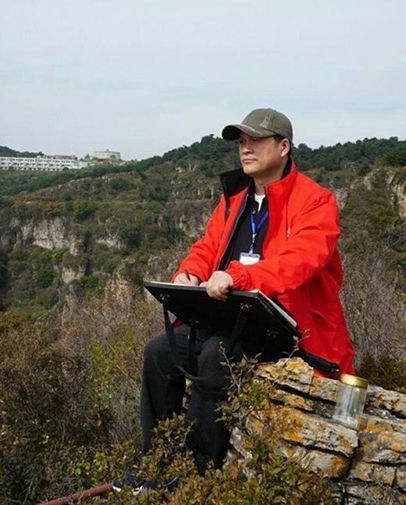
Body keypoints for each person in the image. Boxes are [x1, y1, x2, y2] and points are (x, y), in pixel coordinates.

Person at [140, 108, 356, 474]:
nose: (246, 148)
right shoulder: (235, 200)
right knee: (160, 351)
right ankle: (157, 464)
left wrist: (238, 277)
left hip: (287, 328)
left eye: (256, 140)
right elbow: (207, 247)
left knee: (216, 354)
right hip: (231, 317)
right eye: (242, 141)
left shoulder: (316, 201)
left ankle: (199, 472)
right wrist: (189, 274)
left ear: (283, 147)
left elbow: (301, 260)